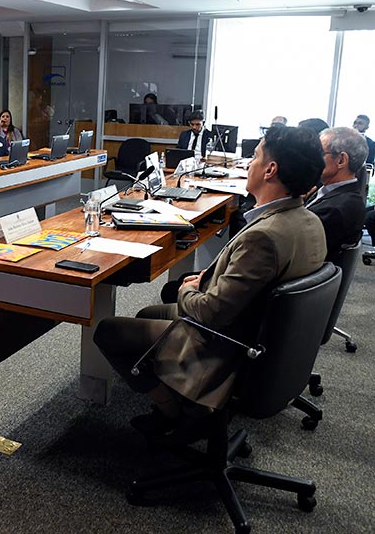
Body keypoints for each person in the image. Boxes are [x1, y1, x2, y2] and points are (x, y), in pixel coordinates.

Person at [93, 125, 327, 441]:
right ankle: (181, 399)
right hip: (263, 338)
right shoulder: (309, 221)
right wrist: (210, 277)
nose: (249, 164)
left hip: (222, 343)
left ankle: (179, 416)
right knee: (149, 313)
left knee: (108, 331)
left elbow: (212, 312)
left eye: (255, 157)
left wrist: (188, 289)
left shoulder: (264, 237)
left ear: (271, 170)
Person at [306, 127, 367, 261]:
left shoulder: (335, 210)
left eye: (319, 154)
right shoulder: (333, 191)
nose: (312, 160)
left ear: (341, 160)